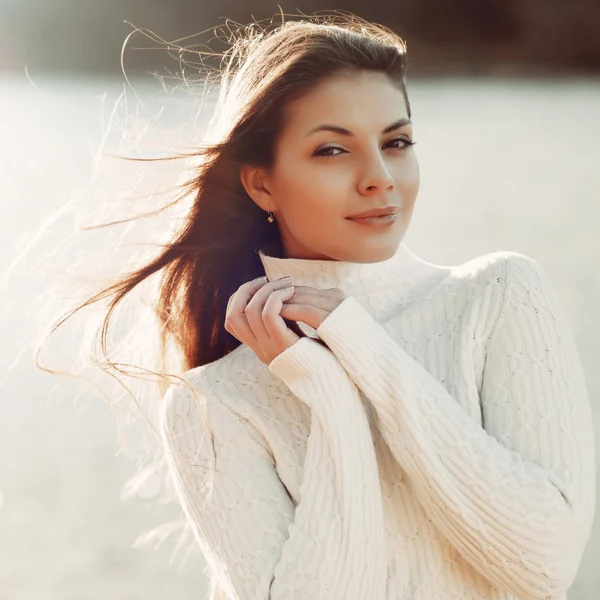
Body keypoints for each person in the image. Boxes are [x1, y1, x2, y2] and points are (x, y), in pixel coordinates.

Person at [36, 12, 596, 600]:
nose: (379, 178)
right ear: (261, 184)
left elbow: (544, 565)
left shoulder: (500, 297)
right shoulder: (215, 403)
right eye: (332, 150)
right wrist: (326, 390)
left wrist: (364, 347)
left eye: (396, 142)